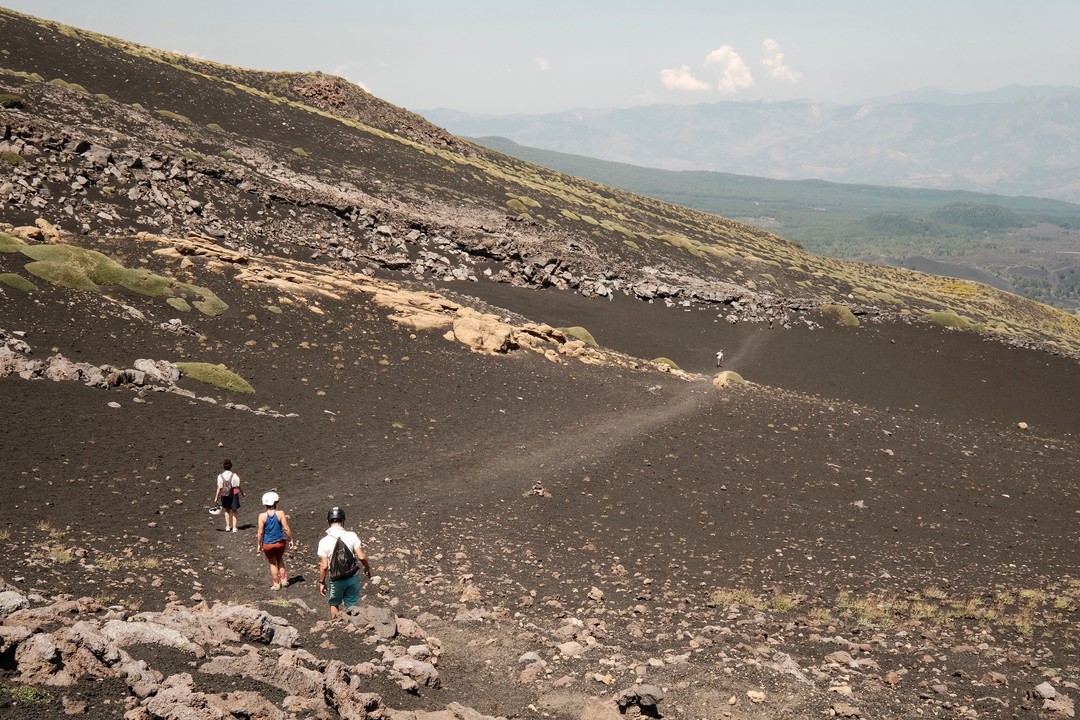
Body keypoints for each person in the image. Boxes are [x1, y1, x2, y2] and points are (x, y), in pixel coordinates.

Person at [317, 506, 372, 618]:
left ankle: (336, 625)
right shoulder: (351, 536)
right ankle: (352, 626)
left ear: (329, 522)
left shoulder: (323, 541)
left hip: (336, 579)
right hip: (352, 577)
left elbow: (324, 566)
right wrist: (367, 568)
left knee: (334, 603)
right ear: (343, 521)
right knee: (352, 605)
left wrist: (321, 582)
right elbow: (361, 557)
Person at [257, 491, 292, 590]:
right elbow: (286, 528)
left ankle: (276, 584)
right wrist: (291, 539)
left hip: (267, 543)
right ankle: (284, 580)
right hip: (280, 542)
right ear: (275, 502)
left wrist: (259, 544)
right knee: (280, 559)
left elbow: (260, 532)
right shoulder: (280, 513)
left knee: (272, 562)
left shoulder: (262, 516)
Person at [214, 459, 244, 532]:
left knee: (227, 510)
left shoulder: (220, 476)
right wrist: (242, 493)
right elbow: (238, 486)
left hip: (224, 493)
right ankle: (234, 527)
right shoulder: (234, 475)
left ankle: (227, 526)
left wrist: (216, 497)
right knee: (234, 510)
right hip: (234, 492)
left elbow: (219, 487)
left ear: (223, 467)